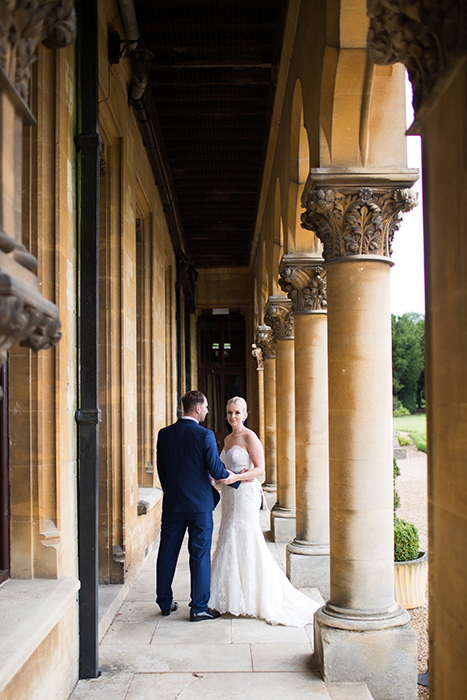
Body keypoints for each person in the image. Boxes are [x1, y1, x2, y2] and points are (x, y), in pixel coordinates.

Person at [209, 396, 321, 626]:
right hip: (229, 495)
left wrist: (237, 477)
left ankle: (253, 596)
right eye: (229, 412)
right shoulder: (228, 438)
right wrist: (219, 478)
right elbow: (224, 467)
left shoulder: (250, 437)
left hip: (246, 494)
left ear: (245, 414)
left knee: (244, 536)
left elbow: (260, 469)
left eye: (237, 413)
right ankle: (228, 596)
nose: (232, 417)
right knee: (227, 536)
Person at [156, 390, 239, 621]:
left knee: (167, 553)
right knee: (200, 555)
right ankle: (199, 607)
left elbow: (162, 472)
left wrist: (172, 492)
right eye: (207, 407)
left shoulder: (164, 434)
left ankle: (164, 602)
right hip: (200, 506)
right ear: (198, 408)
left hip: (173, 504)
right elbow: (216, 470)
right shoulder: (205, 435)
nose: (208, 411)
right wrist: (238, 477)